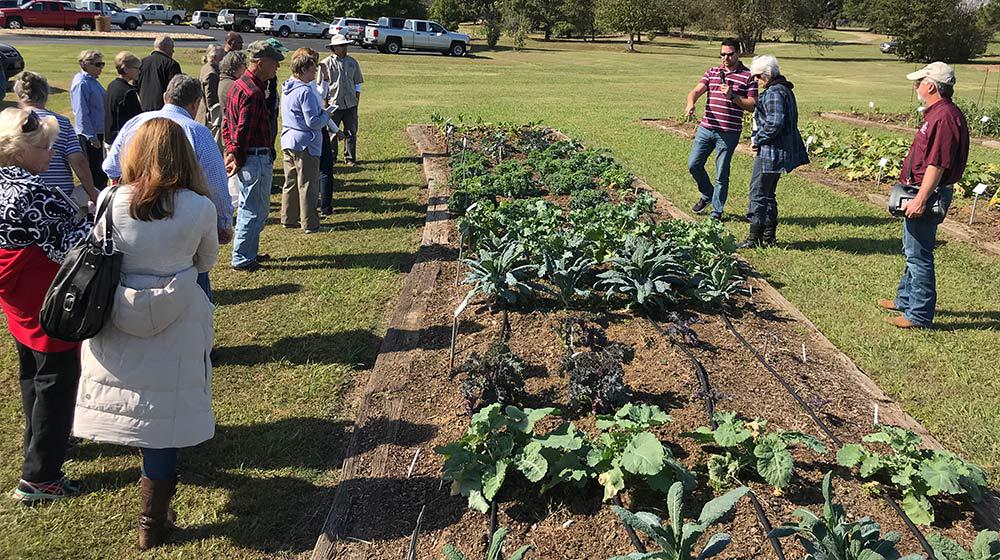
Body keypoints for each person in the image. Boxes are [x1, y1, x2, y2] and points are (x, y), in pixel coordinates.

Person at [73, 118, 218, 549]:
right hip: (178, 315)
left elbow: (98, 253)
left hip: (117, 309)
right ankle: (152, 523)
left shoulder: (111, 200)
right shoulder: (199, 206)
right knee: (165, 419)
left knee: (139, 405)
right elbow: (206, 261)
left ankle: (153, 518)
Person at [0, 108, 90, 503]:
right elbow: (73, 247)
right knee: (57, 381)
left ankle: (38, 442)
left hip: (17, 302)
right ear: (19, 153)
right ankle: (40, 477)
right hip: (47, 303)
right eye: (44, 147)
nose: (52, 153)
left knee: (31, 374)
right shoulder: (34, 193)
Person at [103, 74, 233, 298]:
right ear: (195, 104)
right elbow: (217, 184)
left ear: (165, 97)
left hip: (133, 222)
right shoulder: (197, 132)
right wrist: (223, 223)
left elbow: (111, 167)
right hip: (181, 228)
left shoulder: (136, 122)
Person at [878, 62, 969, 329]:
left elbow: (937, 163)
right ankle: (905, 299)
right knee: (911, 249)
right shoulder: (938, 113)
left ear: (931, 85)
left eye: (919, 82)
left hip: (928, 193)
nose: (916, 86)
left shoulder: (943, 117)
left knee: (919, 255)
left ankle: (918, 315)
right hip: (920, 190)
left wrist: (921, 198)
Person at [224, 40, 284, 272]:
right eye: (274, 63)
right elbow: (243, 130)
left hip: (247, 156)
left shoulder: (238, 86)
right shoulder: (253, 92)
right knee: (254, 208)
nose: (277, 68)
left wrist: (231, 151)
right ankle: (242, 257)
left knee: (252, 206)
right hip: (254, 157)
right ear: (260, 63)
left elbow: (229, 125)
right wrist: (236, 156)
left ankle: (248, 251)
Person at [738, 55, 808, 249]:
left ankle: (754, 238)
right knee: (768, 193)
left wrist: (757, 139)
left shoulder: (774, 93)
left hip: (771, 151)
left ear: (768, 75)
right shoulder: (784, 89)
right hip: (779, 150)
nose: (755, 81)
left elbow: (774, 123)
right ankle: (768, 237)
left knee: (757, 192)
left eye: (758, 77)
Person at [684, 38, 757, 220]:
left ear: (738, 53)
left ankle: (717, 211)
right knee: (694, 164)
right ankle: (708, 193)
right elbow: (695, 91)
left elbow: (752, 105)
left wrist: (732, 96)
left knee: (721, 173)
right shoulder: (712, 72)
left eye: (729, 54)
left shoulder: (748, 76)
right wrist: (691, 103)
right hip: (706, 128)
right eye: (722, 54)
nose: (725, 58)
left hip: (729, 132)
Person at [280, 49, 341, 234]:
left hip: (288, 140)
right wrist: (326, 114)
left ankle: (288, 218)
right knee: (307, 183)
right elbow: (313, 122)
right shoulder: (305, 92)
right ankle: (310, 223)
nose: (315, 74)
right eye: (313, 70)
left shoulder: (287, 87)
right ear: (304, 69)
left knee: (290, 181)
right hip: (305, 142)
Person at [15, 72, 98, 206]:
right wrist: (91, 193)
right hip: (59, 196)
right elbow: (78, 161)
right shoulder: (61, 123)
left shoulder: (10, 122)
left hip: (19, 195)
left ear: (19, 95)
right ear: (46, 94)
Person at [319, 34, 364, 167]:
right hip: (333, 103)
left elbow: (358, 83)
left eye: (345, 45)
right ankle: (331, 157)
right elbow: (321, 86)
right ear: (334, 48)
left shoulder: (352, 62)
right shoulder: (326, 63)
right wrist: (325, 104)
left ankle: (350, 158)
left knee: (351, 131)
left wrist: (356, 100)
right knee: (332, 132)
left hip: (350, 103)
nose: (345, 48)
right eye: (341, 46)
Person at [71, 49, 108, 191]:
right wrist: (91, 137)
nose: (101, 68)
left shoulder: (92, 81)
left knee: (100, 171)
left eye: (102, 64)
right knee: (94, 173)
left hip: (98, 131)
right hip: (89, 135)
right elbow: (81, 112)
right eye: (98, 64)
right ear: (85, 64)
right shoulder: (81, 84)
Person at [105, 51, 143, 146]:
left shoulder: (112, 85)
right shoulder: (128, 92)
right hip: (122, 140)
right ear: (126, 69)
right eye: (137, 68)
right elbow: (136, 118)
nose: (139, 71)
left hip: (109, 137)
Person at [137, 35, 182, 112]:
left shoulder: (141, 63)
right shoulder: (171, 64)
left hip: (144, 108)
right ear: (165, 47)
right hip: (164, 110)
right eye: (172, 48)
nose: (173, 51)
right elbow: (176, 89)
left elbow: (135, 84)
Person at [196, 44, 223, 138]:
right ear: (215, 58)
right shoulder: (211, 74)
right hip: (208, 120)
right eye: (223, 57)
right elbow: (211, 101)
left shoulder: (206, 67)